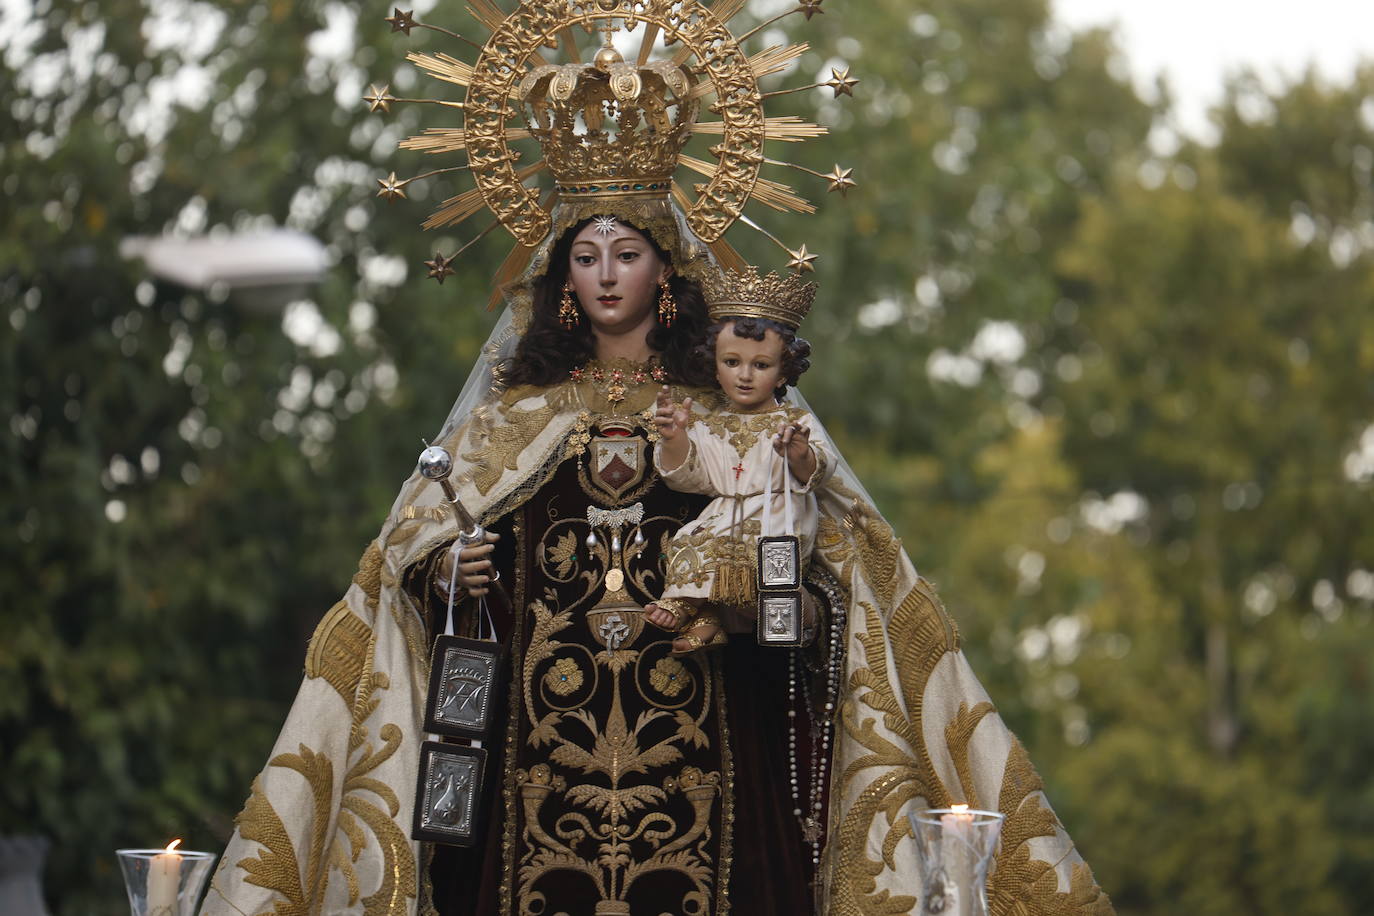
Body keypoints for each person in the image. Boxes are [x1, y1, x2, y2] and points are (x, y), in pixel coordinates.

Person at [201, 4, 1113, 914]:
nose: (605, 274)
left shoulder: (732, 419)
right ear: (561, 279)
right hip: (529, 780)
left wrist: (763, 590)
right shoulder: (509, 427)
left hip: (715, 763)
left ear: (664, 271)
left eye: (626, 253)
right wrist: (448, 570)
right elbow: (414, 569)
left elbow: (839, 586)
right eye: (587, 256)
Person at [644, 272, 835, 655]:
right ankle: (705, 620)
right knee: (691, 541)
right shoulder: (711, 424)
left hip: (776, 515)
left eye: (761, 365)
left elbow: (820, 467)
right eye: (732, 361)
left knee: (748, 556)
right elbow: (692, 475)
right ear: (714, 366)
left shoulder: (792, 421)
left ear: (784, 371)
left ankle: (707, 610)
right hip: (725, 512)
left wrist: (799, 453)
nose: (744, 375)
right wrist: (675, 438)